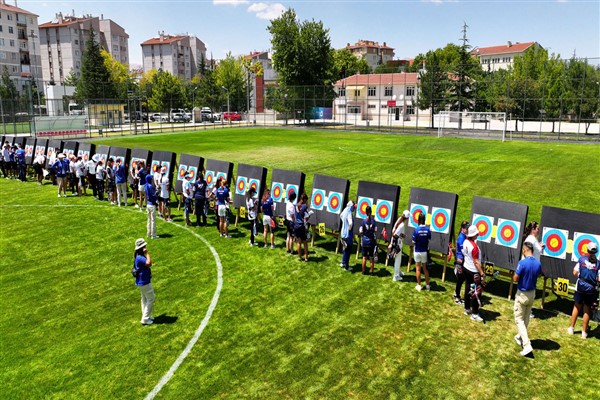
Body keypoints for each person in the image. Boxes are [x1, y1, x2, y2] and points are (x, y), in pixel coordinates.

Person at [513, 241, 544, 358]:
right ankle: (519, 337)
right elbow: (539, 274)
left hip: (522, 294)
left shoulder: (522, 263)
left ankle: (526, 345)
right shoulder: (537, 263)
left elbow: (516, 278)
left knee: (519, 320)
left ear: (525, 250)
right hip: (532, 293)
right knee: (526, 318)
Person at [567, 242, 599, 339]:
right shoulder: (598, 264)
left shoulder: (581, 259)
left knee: (577, 306)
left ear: (587, 250)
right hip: (590, 288)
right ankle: (584, 333)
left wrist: (582, 275)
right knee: (586, 309)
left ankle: (571, 328)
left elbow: (574, 272)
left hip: (580, 286)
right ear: (596, 252)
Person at [463, 225, 486, 322]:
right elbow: (476, 261)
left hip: (466, 268)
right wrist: (482, 273)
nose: (478, 234)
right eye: (476, 233)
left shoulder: (465, 241)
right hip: (474, 271)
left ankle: (467, 308)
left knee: (468, 287)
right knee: (477, 292)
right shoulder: (474, 247)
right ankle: (475, 313)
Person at [133, 238, 154, 325]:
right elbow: (149, 263)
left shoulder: (138, 256)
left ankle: (146, 316)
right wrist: (147, 253)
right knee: (151, 299)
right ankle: (145, 319)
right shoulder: (140, 257)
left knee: (144, 299)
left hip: (141, 282)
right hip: (144, 282)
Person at [412, 212, 431, 290]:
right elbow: (429, 239)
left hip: (417, 251)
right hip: (424, 251)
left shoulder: (416, 230)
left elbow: (413, 241)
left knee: (418, 268)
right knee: (425, 269)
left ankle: (419, 285)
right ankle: (427, 286)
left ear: (418, 220)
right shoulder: (428, 230)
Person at [389, 210, 410, 281]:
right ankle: (396, 276)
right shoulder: (401, 225)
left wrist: (401, 235)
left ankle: (398, 272)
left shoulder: (399, 220)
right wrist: (395, 245)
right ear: (407, 218)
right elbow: (395, 234)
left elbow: (394, 232)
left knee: (399, 258)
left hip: (397, 241)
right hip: (398, 243)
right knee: (398, 259)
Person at [453, 221, 470, 304]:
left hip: (461, 260)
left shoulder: (463, 236)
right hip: (461, 261)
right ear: (463, 229)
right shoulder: (461, 239)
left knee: (461, 279)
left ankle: (456, 293)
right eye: (466, 228)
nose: (468, 230)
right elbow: (464, 251)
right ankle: (457, 296)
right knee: (460, 280)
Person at [359, 206, 377, 276]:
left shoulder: (363, 221)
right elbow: (375, 231)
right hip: (371, 241)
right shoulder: (374, 221)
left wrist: (364, 233)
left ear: (365, 212)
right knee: (371, 257)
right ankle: (372, 272)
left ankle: (363, 271)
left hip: (364, 241)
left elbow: (360, 231)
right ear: (371, 212)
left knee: (364, 257)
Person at [293, 192, 310, 262]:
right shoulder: (304, 206)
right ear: (304, 200)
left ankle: (300, 257)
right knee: (305, 242)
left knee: (298, 242)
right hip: (302, 226)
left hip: (296, 225)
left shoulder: (296, 205)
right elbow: (307, 216)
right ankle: (306, 257)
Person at [339, 201, 356, 271]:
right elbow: (351, 223)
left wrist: (344, 223)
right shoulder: (349, 212)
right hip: (347, 234)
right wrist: (349, 229)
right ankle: (346, 266)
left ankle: (343, 262)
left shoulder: (345, 210)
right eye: (353, 206)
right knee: (348, 250)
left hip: (343, 232)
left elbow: (341, 216)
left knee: (345, 248)